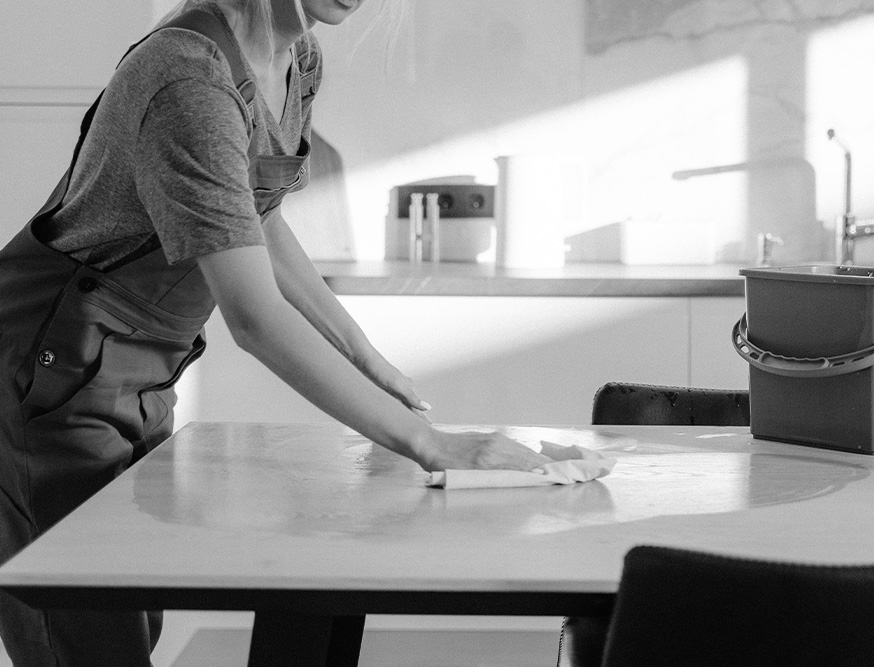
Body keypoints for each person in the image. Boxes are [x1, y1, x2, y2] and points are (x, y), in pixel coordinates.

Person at [0, 0, 551, 664]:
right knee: (84, 645)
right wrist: (428, 443)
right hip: (40, 376)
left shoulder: (297, 60)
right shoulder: (187, 79)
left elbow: (256, 218)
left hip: (131, 374)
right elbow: (255, 319)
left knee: (129, 629)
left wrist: (364, 355)